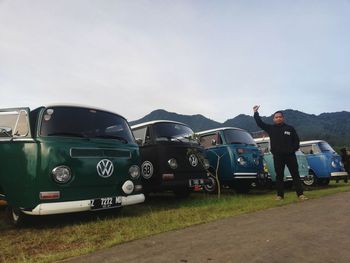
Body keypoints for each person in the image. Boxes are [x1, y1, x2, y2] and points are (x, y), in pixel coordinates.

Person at [253, 105, 308, 201]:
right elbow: (260, 123)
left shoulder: (290, 128)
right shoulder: (271, 128)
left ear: (283, 118)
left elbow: (296, 141)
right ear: (274, 119)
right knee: (279, 176)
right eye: (276, 117)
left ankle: (300, 195)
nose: (278, 118)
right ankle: (280, 196)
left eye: (280, 117)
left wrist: (292, 149)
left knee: (295, 174)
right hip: (278, 156)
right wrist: (255, 113)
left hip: (290, 155)